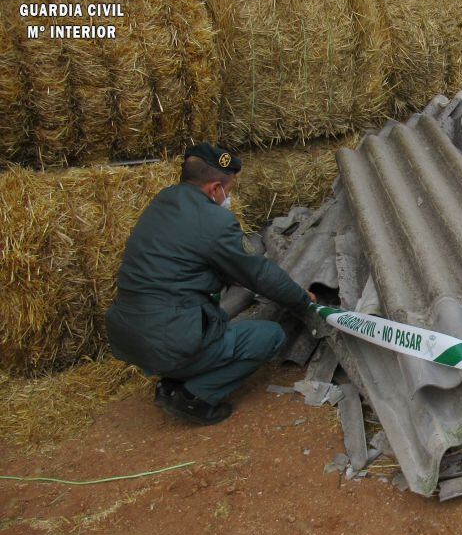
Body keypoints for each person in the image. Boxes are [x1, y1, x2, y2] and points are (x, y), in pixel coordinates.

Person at [106, 143, 315, 425]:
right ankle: (194, 397)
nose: (229, 197)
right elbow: (260, 274)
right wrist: (301, 300)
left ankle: (173, 380)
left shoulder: (162, 203)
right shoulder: (214, 221)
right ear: (215, 189)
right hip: (169, 341)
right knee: (268, 336)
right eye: (229, 191)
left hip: (130, 336)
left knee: (209, 319)